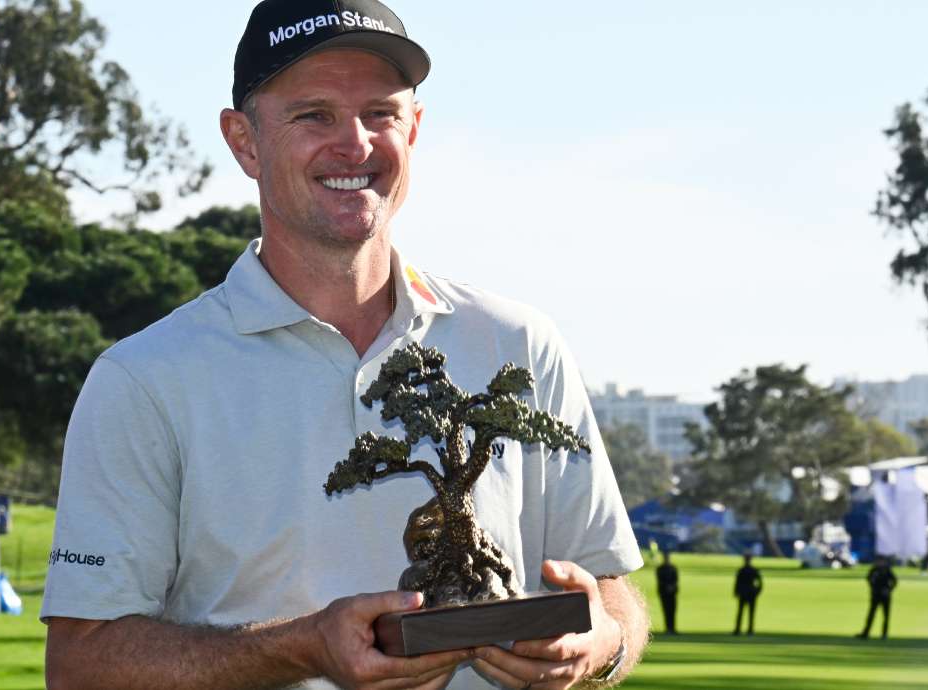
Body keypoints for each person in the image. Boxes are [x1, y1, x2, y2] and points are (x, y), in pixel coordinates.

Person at [41, 1, 649, 688]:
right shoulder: (143, 380)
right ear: (244, 141)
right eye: (314, 115)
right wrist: (297, 648)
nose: (355, 144)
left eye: (381, 114)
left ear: (414, 128)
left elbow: (612, 591)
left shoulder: (520, 344)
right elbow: (81, 665)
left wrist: (603, 642)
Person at [857, 556, 897, 640]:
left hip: (885, 596)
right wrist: (873, 588)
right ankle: (866, 633)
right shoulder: (874, 570)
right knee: (871, 614)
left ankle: (884, 634)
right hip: (876, 595)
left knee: (886, 615)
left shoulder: (887, 570)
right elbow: (868, 578)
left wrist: (889, 590)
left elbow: (894, 581)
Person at [733, 553, 762, 636]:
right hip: (751, 593)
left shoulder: (741, 570)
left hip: (743, 592)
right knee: (751, 612)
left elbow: (737, 582)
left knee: (740, 612)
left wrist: (736, 592)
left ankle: (738, 630)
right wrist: (757, 591)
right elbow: (760, 583)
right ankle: (750, 630)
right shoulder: (754, 570)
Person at [655, 550, 678, 634]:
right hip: (664, 593)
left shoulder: (673, 568)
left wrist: (672, 587)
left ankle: (672, 628)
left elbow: (675, 580)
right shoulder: (660, 569)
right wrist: (667, 587)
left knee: (672, 610)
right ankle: (668, 628)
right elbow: (660, 580)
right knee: (666, 610)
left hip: (672, 593)